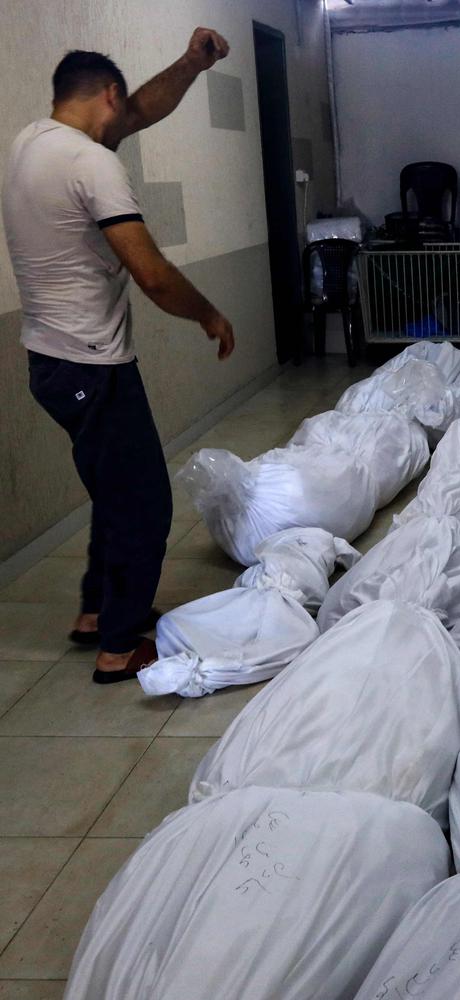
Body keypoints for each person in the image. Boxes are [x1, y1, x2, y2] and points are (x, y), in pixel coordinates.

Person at [2, 28, 235, 683]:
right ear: (108, 94)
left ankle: (93, 612)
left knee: (112, 489)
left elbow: (138, 111)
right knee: (143, 502)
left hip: (48, 362)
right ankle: (119, 643)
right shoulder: (92, 163)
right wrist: (209, 314)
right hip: (92, 364)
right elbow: (153, 275)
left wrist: (192, 64)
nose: (128, 119)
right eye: (122, 107)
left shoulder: (31, 144)